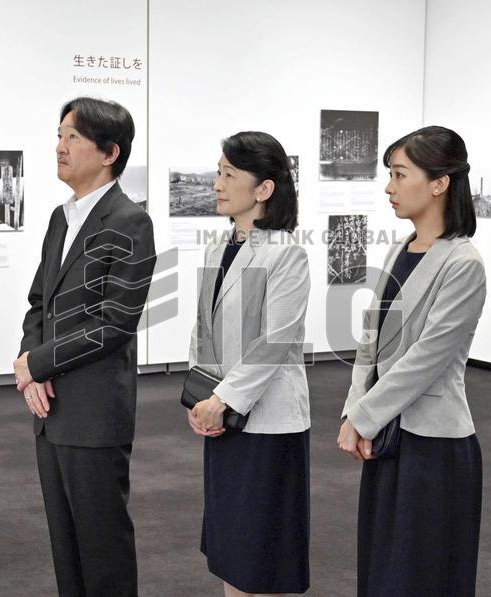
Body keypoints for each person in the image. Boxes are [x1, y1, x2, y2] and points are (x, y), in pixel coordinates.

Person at [13, 97, 156, 597]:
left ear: (109, 152)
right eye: (59, 135)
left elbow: (114, 321)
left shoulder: (129, 220)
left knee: (103, 547)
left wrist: (36, 363)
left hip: (95, 411)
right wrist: (32, 363)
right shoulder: (60, 216)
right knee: (65, 544)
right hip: (51, 408)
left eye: (73, 137)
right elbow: (40, 303)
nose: (60, 147)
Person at [338, 126, 485, 596]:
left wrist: (363, 417)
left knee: (420, 575)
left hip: (433, 447)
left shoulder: (463, 263)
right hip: (388, 436)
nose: (389, 187)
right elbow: (370, 340)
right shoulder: (400, 248)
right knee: (382, 569)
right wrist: (355, 408)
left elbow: (426, 359)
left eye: (400, 174)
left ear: (439, 183)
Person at [189, 131, 311, 597]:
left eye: (229, 175)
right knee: (231, 550)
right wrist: (200, 397)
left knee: (263, 557)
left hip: (268, 424)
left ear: (263, 189)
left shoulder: (287, 253)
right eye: (218, 173)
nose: (217, 184)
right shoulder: (216, 248)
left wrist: (221, 399)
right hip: (222, 416)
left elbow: (273, 343)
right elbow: (203, 330)